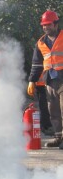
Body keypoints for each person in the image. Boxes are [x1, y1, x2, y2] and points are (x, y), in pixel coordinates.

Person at [27, 10, 63, 148]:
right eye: (43, 25)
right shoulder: (41, 42)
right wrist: (32, 80)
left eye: (48, 24)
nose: (45, 27)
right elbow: (36, 64)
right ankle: (58, 137)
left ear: (55, 24)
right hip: (50, 81)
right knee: (53, 111)